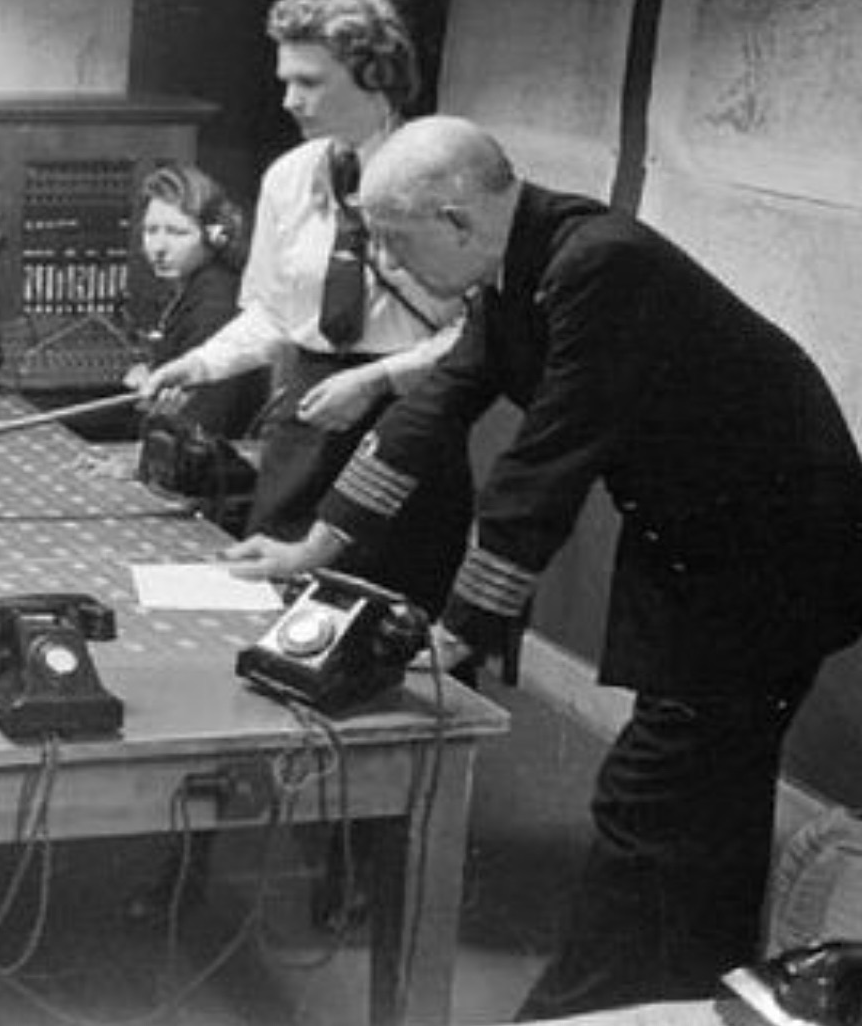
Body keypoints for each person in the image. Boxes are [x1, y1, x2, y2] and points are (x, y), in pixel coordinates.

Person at [226, 116, 862, 1019]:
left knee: (656, 793)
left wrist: (456, 635)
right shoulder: (522, 262)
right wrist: (311, 547)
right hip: (698, 542)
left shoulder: (601, 264)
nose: (395, 271)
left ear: (453, 217)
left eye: (400, 246)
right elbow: (432, 408)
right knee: (700, 792)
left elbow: (541, 469)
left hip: (774, 554)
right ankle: (693, 991)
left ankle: (579, 1011)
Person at [139, 0, 472, 621]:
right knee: (276, 611)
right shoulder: (290, 177)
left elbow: (481, 332)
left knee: (393, 623)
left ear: (374, 75)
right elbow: (273, 312)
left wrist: (378, 381)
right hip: (307, 424)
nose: (290, 99)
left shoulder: (448, 174)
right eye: (285, 80)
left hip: (409, 422)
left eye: (310, 81)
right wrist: (201, 364)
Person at [120, 163, 267, 443]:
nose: (159, 247)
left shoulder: (216, 302)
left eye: (177, 233)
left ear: (214, 236)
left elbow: (208, 419)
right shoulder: (194, 285)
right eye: (151, 230)